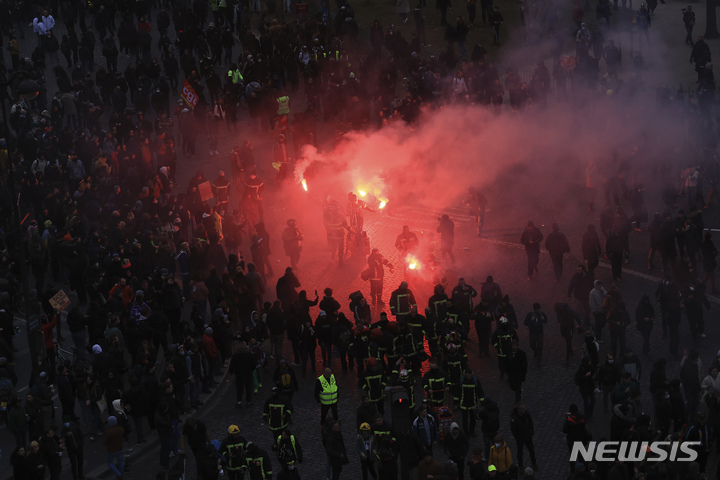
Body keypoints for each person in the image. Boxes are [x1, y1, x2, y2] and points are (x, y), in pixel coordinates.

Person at [225, 341, 255, 408]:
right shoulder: (249, 355)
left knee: (239, 389)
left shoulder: (236, 355)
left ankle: (239, 402)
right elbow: (253, 364)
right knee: (248, 388)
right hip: (248, 374)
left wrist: (231, 372)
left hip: (239, 374)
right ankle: (248, 401)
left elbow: (232, 366)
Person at [510, 403, 537, 472]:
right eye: (522, 408)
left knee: (531, 450)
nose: (524, 410)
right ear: (518, 409)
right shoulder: (514, 417)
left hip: (527, 436)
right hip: (520, 438)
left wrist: (531, 432)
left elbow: (531, 422)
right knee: (520, 452)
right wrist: (518, 438)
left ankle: (534, 463)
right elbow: (513, 430)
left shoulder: (526, 414)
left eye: (524, 408)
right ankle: (521, 466)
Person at [563, 404, 587, 474]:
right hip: (581, 440)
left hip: (572, 441)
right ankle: (583, 470)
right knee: (580, 457)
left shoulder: (569, 420)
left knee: (573, 458)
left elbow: (564, 430)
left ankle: (573, 472)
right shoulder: (581, 417)